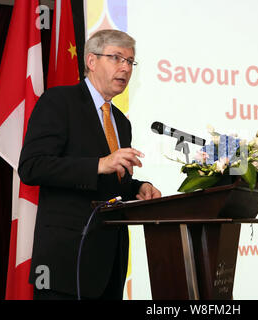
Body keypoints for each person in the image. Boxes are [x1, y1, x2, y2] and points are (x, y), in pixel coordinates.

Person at [18, 29, 161, 300]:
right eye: (117, 58)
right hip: (65, 262)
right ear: (92, 61)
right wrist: (99, 164)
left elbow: (110, 182)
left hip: (110, 262)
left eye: (130, 62)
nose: (125, 68)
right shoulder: (59, 102)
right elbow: (32, 167)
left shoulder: (120, 121)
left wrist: (139, 187)